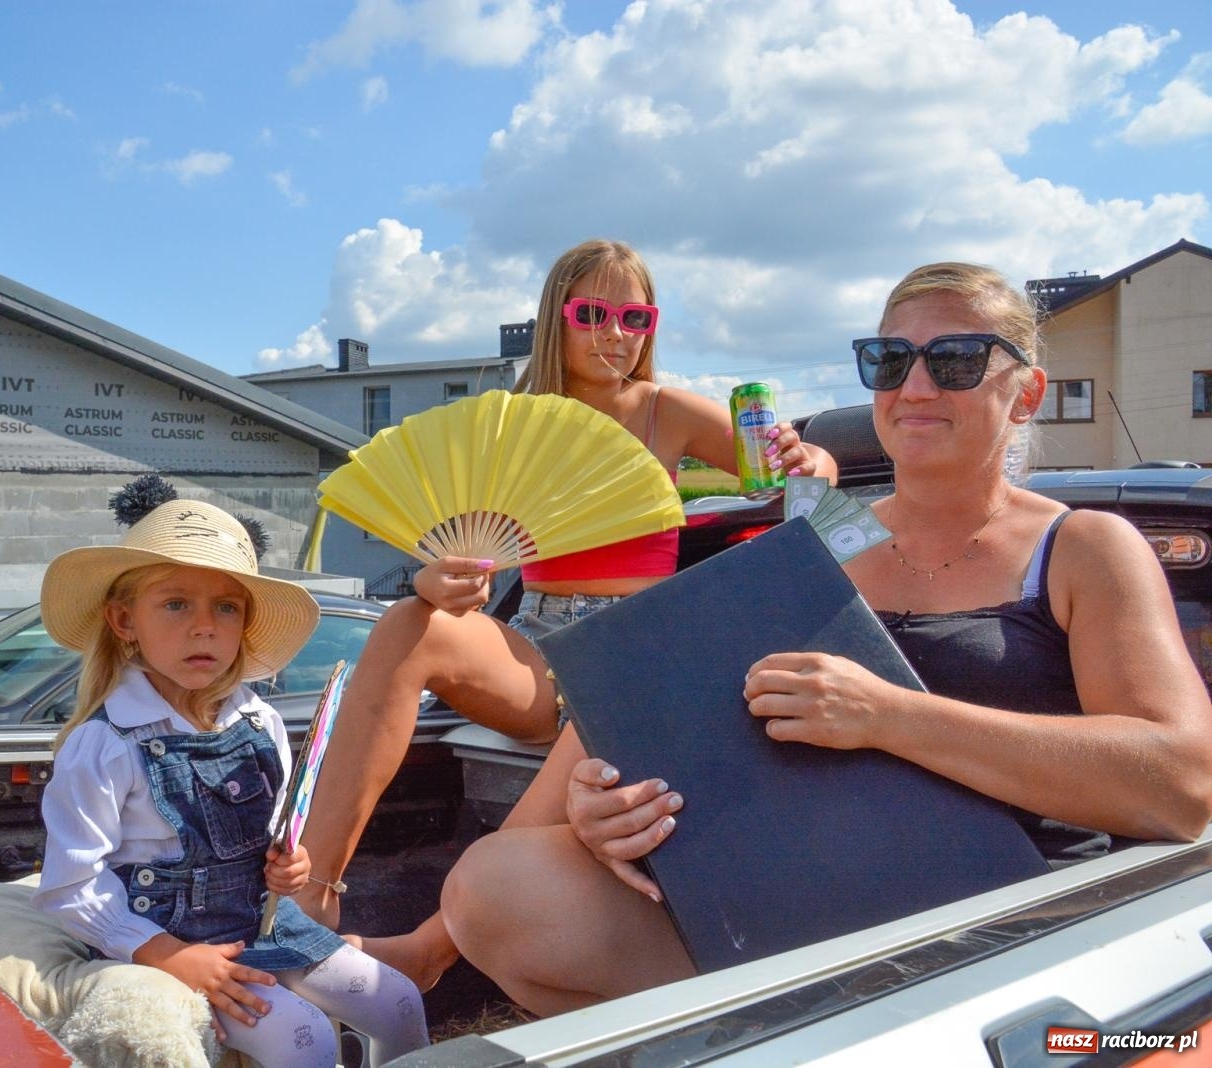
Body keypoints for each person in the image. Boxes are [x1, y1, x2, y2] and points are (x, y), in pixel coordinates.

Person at [439, 261, 1212, 1015]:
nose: (914, 386)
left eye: (956, 360)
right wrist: (603, 813)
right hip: (802, 909)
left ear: (1026, 393)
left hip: (1002, 924)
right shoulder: (828, 539)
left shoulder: (1085, 547)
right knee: (495, 884)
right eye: (888, 360)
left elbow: (1182, 785)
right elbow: (688, 717)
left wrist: (892, 717)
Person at [294, 238, 838, 990]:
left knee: (628, 677)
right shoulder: (513, 420)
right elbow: (461, 538)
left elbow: (803, 477)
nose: (615, 333)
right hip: (538, 646)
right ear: (558, 317)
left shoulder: (666, 410)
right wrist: (436, 581)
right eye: (593, 313)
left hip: (638, 650)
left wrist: (812, 463)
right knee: (406, 623)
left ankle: (427, 950)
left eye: (634, 315)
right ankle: (308, 897)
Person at [32, 484, 428, 1067]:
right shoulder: (106, 742)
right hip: (169, 937)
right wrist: (165, 953)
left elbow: (269, 834)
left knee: (397, 1000)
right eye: (175, 604)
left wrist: (288, 865)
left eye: (226, 606)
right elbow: (70, 884)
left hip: (264, 919)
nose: (204, 627)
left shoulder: (259, 719)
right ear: (124, 620)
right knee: (308, 1040)